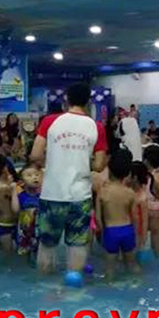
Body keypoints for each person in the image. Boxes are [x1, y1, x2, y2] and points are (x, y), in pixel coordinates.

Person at [30, 83, 107, 275]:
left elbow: (35, 155)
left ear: (67, 99)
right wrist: (81, 161)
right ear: (88, 102)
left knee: (47, 244)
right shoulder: (96, 127)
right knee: (77, 244)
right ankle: (74, 285)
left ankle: (44, 286)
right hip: (80, 196)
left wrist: (52, 163)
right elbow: (99, 165)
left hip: (52, 194)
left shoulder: (49, 121)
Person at [96, 151, 140, 279]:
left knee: (109, 269)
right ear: (127, 173)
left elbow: (98, 219)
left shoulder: (102, 192)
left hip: (111, 232)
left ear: (109, 169)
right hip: (127, 230)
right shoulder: (130, 193)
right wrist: (136, 235)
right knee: (132, 265)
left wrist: (102, 235)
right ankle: (137, 282)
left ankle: (109, 284)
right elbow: (135, 217)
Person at [142, 144, 159, 256]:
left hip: (158, 218)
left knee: (157, 251)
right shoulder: (150, 176)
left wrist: (158, 213)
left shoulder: (156, 178)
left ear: (146, 160)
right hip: (152, 215)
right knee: (154, 250)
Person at [17, 165, 42, 261]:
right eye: (29, 175)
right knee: (24, 252)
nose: (35, 177)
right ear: (22, 182)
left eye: (37, 175)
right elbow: (15, 210)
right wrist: (14, 191)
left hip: (39, 229)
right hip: (24, 231)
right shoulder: (21, 196)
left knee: (39, 251)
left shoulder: (43, 195)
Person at [129, 161, 150, 251]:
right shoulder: (129, 191)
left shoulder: (142, 197)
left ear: (135, 178)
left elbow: (145, 220)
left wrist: (144, 236)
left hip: (138, 231)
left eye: (129, 175)